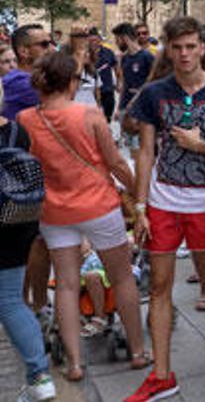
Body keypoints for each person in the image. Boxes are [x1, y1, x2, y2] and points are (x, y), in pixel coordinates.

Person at [123, 16, 205, 401]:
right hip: (162, 203)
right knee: (158, 287)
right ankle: (162, 374)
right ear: (168, 49)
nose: (185, 54)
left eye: (192, 46)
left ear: (203, 48)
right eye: (178, 47)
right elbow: (144, 153)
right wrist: (139, 206)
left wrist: (200, 146)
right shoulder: (155, 93)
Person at [19, 51, 148, 382]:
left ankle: (75, 363)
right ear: (70, 81)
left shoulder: (26, 120)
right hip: (99, 207)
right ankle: (137, 351)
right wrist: (139, 194)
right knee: (120, 277)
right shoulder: (90, 115)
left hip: (54, 211)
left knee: (64, 284)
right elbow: (117, 164)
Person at [0, 89, 55, 401]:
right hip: (17, 218)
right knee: (10, 301)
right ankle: (40, 376)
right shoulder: (16, 128)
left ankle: (38, 375)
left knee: (7, 302)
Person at [3, 24, 53, 121]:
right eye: (44, 44)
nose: (52, 49)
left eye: (52, 43)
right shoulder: (18, 82)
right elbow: (63, 96)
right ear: (24, 51)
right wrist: (79, 51)